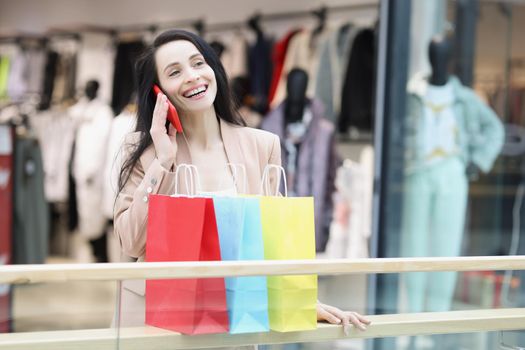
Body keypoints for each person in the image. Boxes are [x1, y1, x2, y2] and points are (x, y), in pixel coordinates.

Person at [113, 29, 370, 337]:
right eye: (175, 72)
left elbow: (271, 241)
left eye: (198, 63)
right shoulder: (144, 150)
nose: (193, 76)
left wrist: (301, 300)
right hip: (159, 323)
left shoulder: (263, 146)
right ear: (158, 92)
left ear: (214, 68)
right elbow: (131, 241)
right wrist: (162, 162)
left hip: (235, 321)